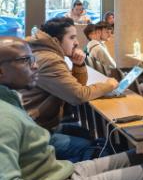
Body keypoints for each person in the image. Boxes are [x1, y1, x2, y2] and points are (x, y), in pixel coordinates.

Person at [0, 36, 143, 180]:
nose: (35, 65)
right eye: (25, 60)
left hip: (60, 171)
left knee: (141, 154)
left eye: (33, 58)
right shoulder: (5, 118)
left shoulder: (10, 100)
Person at [23, 17, 118, 162]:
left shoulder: (44, 52)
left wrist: (78, 66)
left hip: (39, 124)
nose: (77, 42)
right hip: (33, 132)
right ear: (55, 41)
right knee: (89, 146)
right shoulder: (49, 59)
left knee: (90, 134)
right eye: (72, 37)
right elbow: (77, 95)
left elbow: (73, 89)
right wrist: (109, 85)